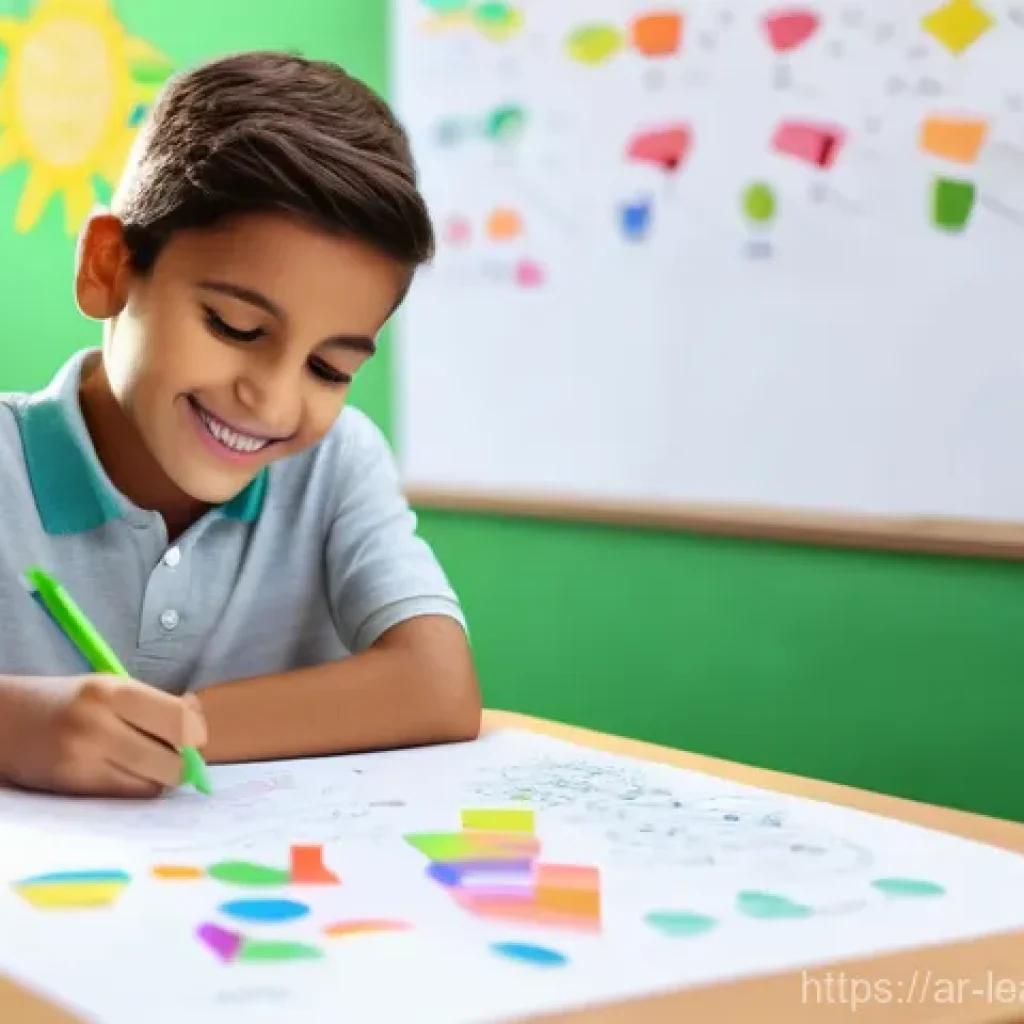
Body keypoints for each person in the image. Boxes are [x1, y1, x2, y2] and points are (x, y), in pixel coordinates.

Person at [0, 51, 480, 797]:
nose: (274, 404)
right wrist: (12, 725)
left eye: (329, 368)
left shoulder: (335, 465)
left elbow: (438, 685)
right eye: (236, 327)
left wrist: (179, 728)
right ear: (109, 268)